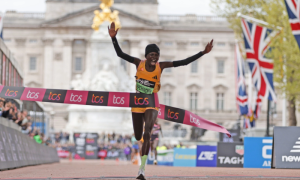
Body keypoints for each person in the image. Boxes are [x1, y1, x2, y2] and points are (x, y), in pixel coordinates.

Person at [108, 22, 213, 180]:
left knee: (147, 133)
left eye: (156, 55)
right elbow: (121, 55)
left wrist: (203, 53)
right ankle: (142, 152)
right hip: (137, 102)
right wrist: (114, 39)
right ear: (146, 56)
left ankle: (142, 170)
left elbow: (183, 62)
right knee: (138, 136)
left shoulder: (161, 66)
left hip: (151, 100)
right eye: (152, 55)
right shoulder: (139, 63)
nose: (154, 57)